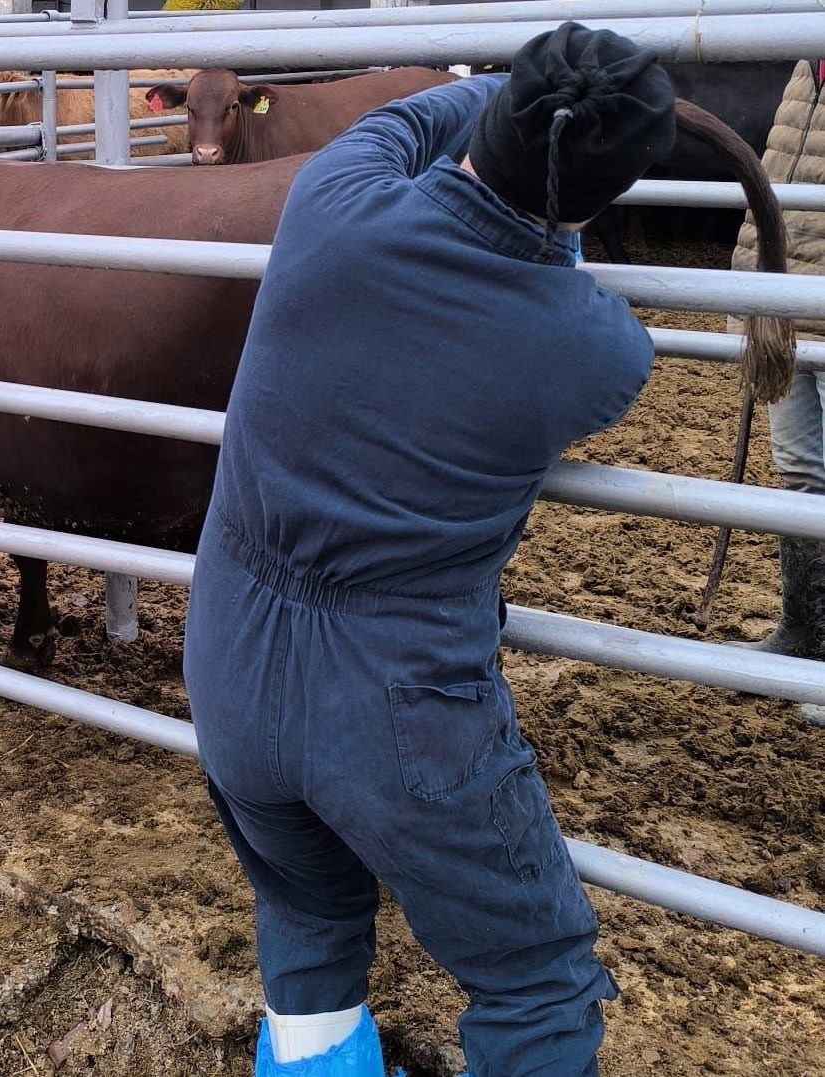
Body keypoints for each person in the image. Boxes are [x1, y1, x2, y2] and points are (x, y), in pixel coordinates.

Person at [183, 23, 675, 1077]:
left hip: (227, 654)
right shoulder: (599, 352)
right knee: (536, 975)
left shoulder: (332, 201)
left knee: (306, 913)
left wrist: (515, 91)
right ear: (606, 192)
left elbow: (408, 117)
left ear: (494, 120)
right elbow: (554, 282)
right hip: (395, 703)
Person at [731, 60, 825, 660]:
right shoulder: (804, 61)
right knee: (798, 472)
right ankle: (805, 630)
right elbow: (775, 163)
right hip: (784, 303)